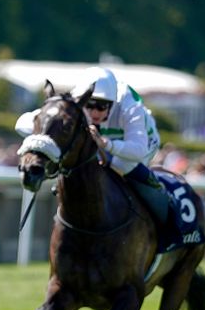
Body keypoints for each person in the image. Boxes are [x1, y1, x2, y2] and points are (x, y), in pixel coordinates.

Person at [15, 66, 171, 227]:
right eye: (89, 105)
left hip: (141, 145)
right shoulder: (74, 101)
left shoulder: (129, 106)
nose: (94, 112)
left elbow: (138, 150)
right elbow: (22, 123)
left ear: (112, 103)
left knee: (120, 163)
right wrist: (42, 137)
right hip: (102, 143)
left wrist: (106, 144)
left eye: (101, 106)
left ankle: (166, 217)